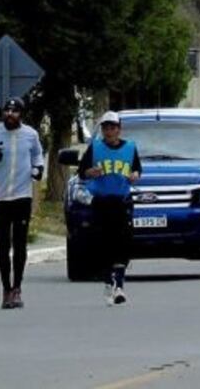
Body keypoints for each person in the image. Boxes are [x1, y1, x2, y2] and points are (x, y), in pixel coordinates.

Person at [0, 97, 44, 310]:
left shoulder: (30, 134)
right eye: (7, 111)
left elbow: (38, 155)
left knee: (20, 244)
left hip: (22, 195)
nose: (10, 115)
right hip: (1, 197)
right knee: (3, 245)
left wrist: (38, 169)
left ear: (21, 114)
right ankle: (5, 288)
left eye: (14, 111)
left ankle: (17, 288)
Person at [77, 111, 141, 306]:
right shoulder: (95, 148)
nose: (109, 131)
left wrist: (134, 176)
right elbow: (82, 172)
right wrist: (91, 172)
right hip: (101, 201)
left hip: (121, 201)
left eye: (113, 127)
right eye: (106, 127)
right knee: (104, 244)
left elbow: (137, 169)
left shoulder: (130, 148)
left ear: (119, 129)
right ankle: (108, 281)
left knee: (122, 244)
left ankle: (119, 285)